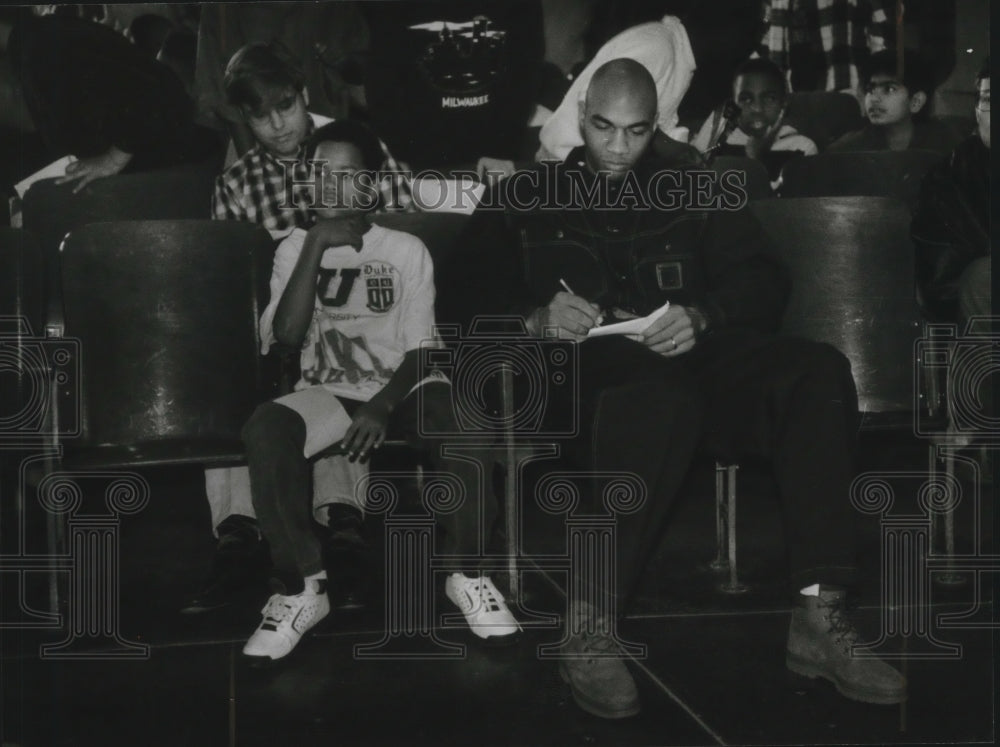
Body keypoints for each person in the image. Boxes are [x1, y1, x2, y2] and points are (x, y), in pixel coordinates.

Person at [439, 58, 906, 719]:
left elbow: (764, 280)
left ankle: (818, 613)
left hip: (690, 364)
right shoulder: (527, 194)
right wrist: (534, 317)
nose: (620, 147)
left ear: (654, 124)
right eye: (604, 128)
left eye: (635, 131)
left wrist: (703, 314)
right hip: (579, 384)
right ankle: (589, 623)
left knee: (817, 372)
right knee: (657, 396)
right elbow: (457, 300)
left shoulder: (695, 186)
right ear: (582, 118)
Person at [239, 119, 520, 662]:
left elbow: (423, 350)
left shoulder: (407, 248)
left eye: (346, 175)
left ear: (369, 183)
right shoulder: (291, 248)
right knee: (266, 427)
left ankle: (468, 574)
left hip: (407, 385)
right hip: (331, 390)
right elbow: (288, 339)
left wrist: (383, 405)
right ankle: (304, 587)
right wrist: (316, 243)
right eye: (319, 173)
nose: (329, 186)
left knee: (466, 423)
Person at [183, 42, 372, 615]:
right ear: (243, 118)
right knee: (230, 363)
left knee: (337, 355)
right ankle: (239, 534)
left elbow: (408, 217)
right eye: (260, 116)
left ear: (303, 95)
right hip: (271, 329)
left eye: (285, 107)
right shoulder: (238, 184)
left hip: (359, 319)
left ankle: (342, 521)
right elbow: (231, 283)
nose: (277, 125)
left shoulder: (356, 147)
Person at [912, 57, 990, 324]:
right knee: (984, 277)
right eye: (989, 99)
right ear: (976, 111)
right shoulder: (948, 178)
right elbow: (940, 282)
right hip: (979, 299)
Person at [691, 57, 817, 187]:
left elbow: (791, 203)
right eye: (745, 99)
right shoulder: (718, 143)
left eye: (769, 99)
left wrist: (757, 158)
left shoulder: (801, 148)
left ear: (783, 104)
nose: (757, 109)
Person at [828, 50, 958, 154]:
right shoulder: (850, 148)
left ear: (916, 101)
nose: (873, 98)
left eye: (889, 89)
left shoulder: (945, 144)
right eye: (870, 89)